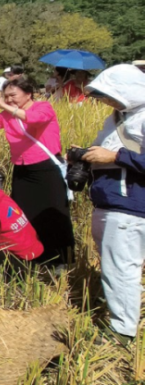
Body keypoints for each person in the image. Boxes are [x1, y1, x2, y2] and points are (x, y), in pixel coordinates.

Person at [0, 77, 74, 264]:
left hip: (46, 169)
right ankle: (30, 256)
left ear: (28, 94)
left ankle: (60, 260)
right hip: (22, 170)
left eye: (13, 95)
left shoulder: (43, 107)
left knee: (54, 213)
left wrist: (5, 106)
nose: (9, 100)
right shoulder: (7, 115)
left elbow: (34, 119)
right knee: (23, 214)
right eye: (5, 96)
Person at [75, 65, 145, 345]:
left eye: (111, 95)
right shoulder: (118, 118)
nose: (107, 101)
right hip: (110, 202)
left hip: (129, 205)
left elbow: (118, 156)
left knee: (121, 269)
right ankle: (123, 319)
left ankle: (122, 330)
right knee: (117, 267)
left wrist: (114, 156)